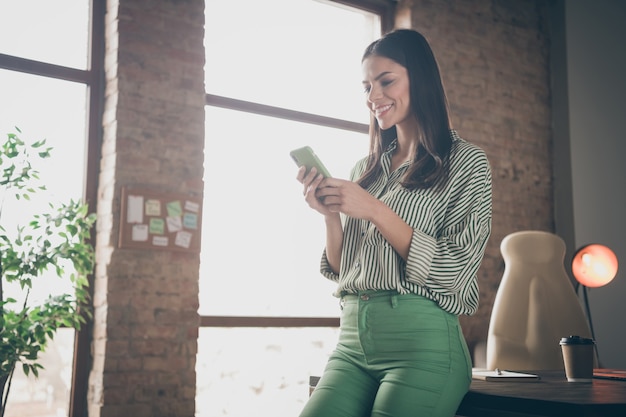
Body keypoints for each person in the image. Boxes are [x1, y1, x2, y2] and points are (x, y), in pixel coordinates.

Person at [296, 28, 492, 417]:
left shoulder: (467, 164)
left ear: (420, 79)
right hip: (352, 345)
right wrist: (331, 217)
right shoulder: (365, 171)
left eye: (386, 81)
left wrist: (375, 210)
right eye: (367, 86)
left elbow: (455, 273)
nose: (374, 97)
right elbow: (343, 270)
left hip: (422, 346)